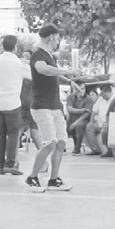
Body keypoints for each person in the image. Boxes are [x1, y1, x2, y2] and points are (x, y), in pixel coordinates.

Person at [25, 24, 78, 192]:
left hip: (55, 105)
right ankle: (32, 178)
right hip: (42, 106)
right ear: (51, 37)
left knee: (61, 142)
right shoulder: (38, 54)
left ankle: (54, 180)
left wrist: (70, 81)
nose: (58, 42)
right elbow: (42, 69)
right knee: (50, 143)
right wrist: (67, 71)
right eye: (58, 38)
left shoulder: (49, 55)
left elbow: (53, 74)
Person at [0, 35, 30, 175]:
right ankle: (10, 163)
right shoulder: (19, 63)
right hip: (13, 104)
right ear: (15, 47)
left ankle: (1, 165)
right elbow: (33, 74)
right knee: (13, 134)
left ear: (3, 46)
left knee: (0, 134)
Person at [66, 81, 94, 156]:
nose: (81, 90)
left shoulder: (89, 99)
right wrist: (82, 110)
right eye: (78, 89)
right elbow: (69, 109)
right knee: (67, 126)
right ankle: (69, 146)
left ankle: (77, 149)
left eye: (83, 88)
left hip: (84, 119)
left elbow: (87, 114)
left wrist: (76, 122)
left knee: (78, 126)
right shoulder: (70, 97)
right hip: (72, 118)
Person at [85, 84, 113, 155]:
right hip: (98, 122)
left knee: (104, 130)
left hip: (109, 123)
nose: (102, 95)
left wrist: (106, 124)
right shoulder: (100, 99)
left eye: (103, 94)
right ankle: (96, 150)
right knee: (89, 126)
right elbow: (94, 111)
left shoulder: (114, 100)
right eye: (101, 93)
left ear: (108, 92)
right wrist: (91, 121)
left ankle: (108, 151)